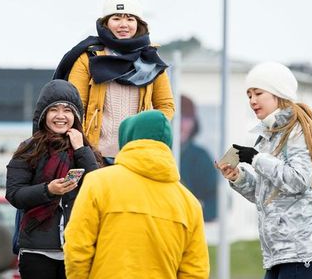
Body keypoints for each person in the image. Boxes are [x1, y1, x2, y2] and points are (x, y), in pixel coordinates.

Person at [217, 62, 312, 279]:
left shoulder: (297, 130)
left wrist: (256, 158)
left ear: (278, 94)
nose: (252, 100)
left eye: (258, 93)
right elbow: (268, 195)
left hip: (302, 251)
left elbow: (298, 180)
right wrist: (239, 177)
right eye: (249, 94)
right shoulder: (270, 135)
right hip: (282, 253)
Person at [64, 110, 209, 279]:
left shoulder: (98, 183)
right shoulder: (189, 204)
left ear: (127, 141)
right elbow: (196, 271)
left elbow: (77, 248)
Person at [53, 0, 175, 162]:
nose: (123, 25)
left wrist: (148, 132)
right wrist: (82, 146)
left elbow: (166, 106)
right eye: (116, 18)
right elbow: (75, 105)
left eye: (130, 19)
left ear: (139, 24)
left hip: (137, 156)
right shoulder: (87, 57)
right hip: (94, 155)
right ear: (106, 23)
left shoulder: (151, 60)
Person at [5, 79, 101, 279]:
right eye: (53, 110)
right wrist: (48, 190)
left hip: (76, 249)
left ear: (75, 116)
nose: (60, 116)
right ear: (43, 115)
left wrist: (81, 149)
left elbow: (98, 188)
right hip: (36, 249)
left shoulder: (85, 150)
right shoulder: (29, 148)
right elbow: (14, 194)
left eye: (67, 110)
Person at [179, 95, 218, 221]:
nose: (181, 124)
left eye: (187, 118)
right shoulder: (153, 153)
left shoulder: (200, 157)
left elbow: (216, 202)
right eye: (177, 118)